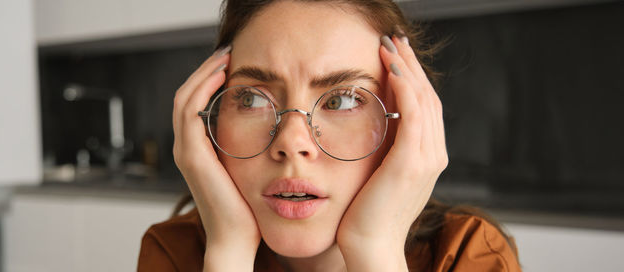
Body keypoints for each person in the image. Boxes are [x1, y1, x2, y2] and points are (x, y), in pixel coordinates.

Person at [139, 0, 521, 271]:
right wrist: (228, 254)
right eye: (252, 98)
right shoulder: (176, 255)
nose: (292, 141)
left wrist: (375, 252)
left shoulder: (469, 256)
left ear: (407, 121)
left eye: (341, 100)